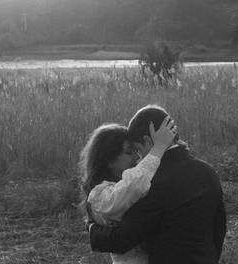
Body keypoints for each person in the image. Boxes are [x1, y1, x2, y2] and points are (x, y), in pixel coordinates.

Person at [87, 105, 227, 264]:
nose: (139, 159)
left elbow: (123, 239)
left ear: (147, 141)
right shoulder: (207, 172)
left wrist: (92, 229)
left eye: (139, 150)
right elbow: (218, 229)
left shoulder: (152, 182)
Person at [79, 116, 178, 264]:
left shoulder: (124, 183)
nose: (136, 157)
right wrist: (157, 150)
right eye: (129, 152)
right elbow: (133, 185)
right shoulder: (100, 195)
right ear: (109, 159)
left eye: (136, 150)